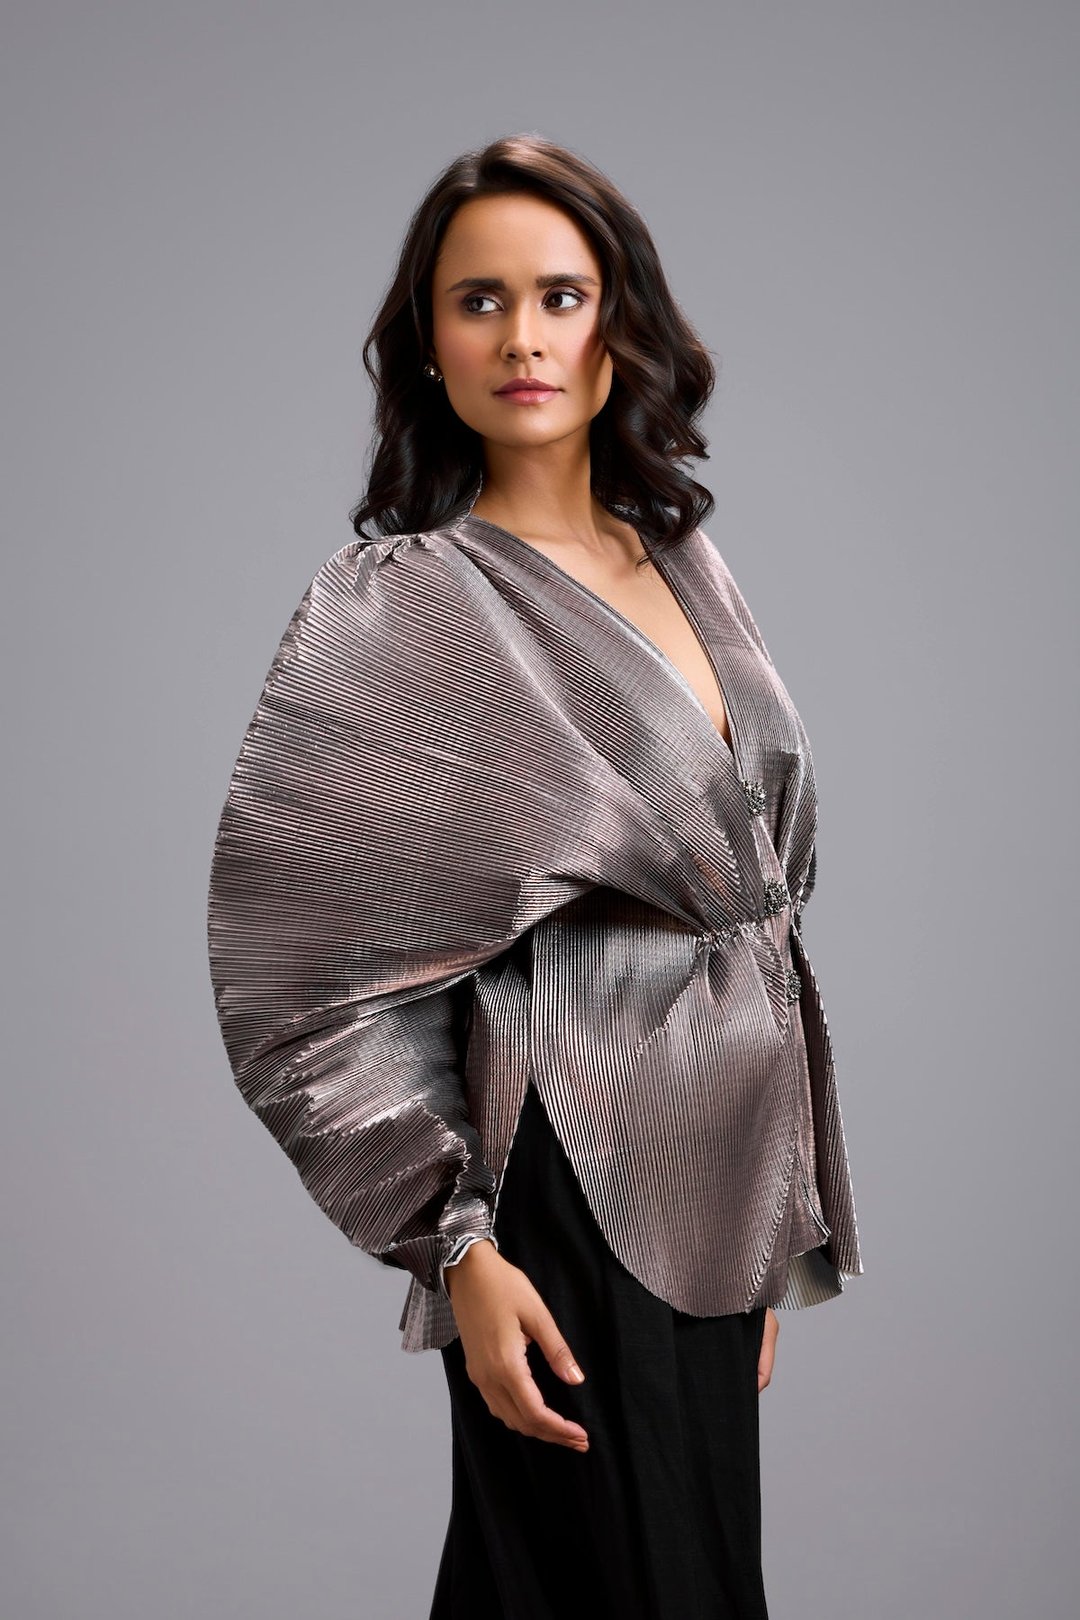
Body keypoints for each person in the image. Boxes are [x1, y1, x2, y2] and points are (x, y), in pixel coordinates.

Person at [206, 134, 864, 1620]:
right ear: (428, 344)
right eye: (479, 301)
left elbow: (758, 915)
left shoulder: (685, 561)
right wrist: (457, 1245)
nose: (522, 338)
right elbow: (296, 974)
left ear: (617, 324)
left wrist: (768, 1225)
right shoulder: (405, 607)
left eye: (560, 296)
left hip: (716, 1183)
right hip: (568, 1168)